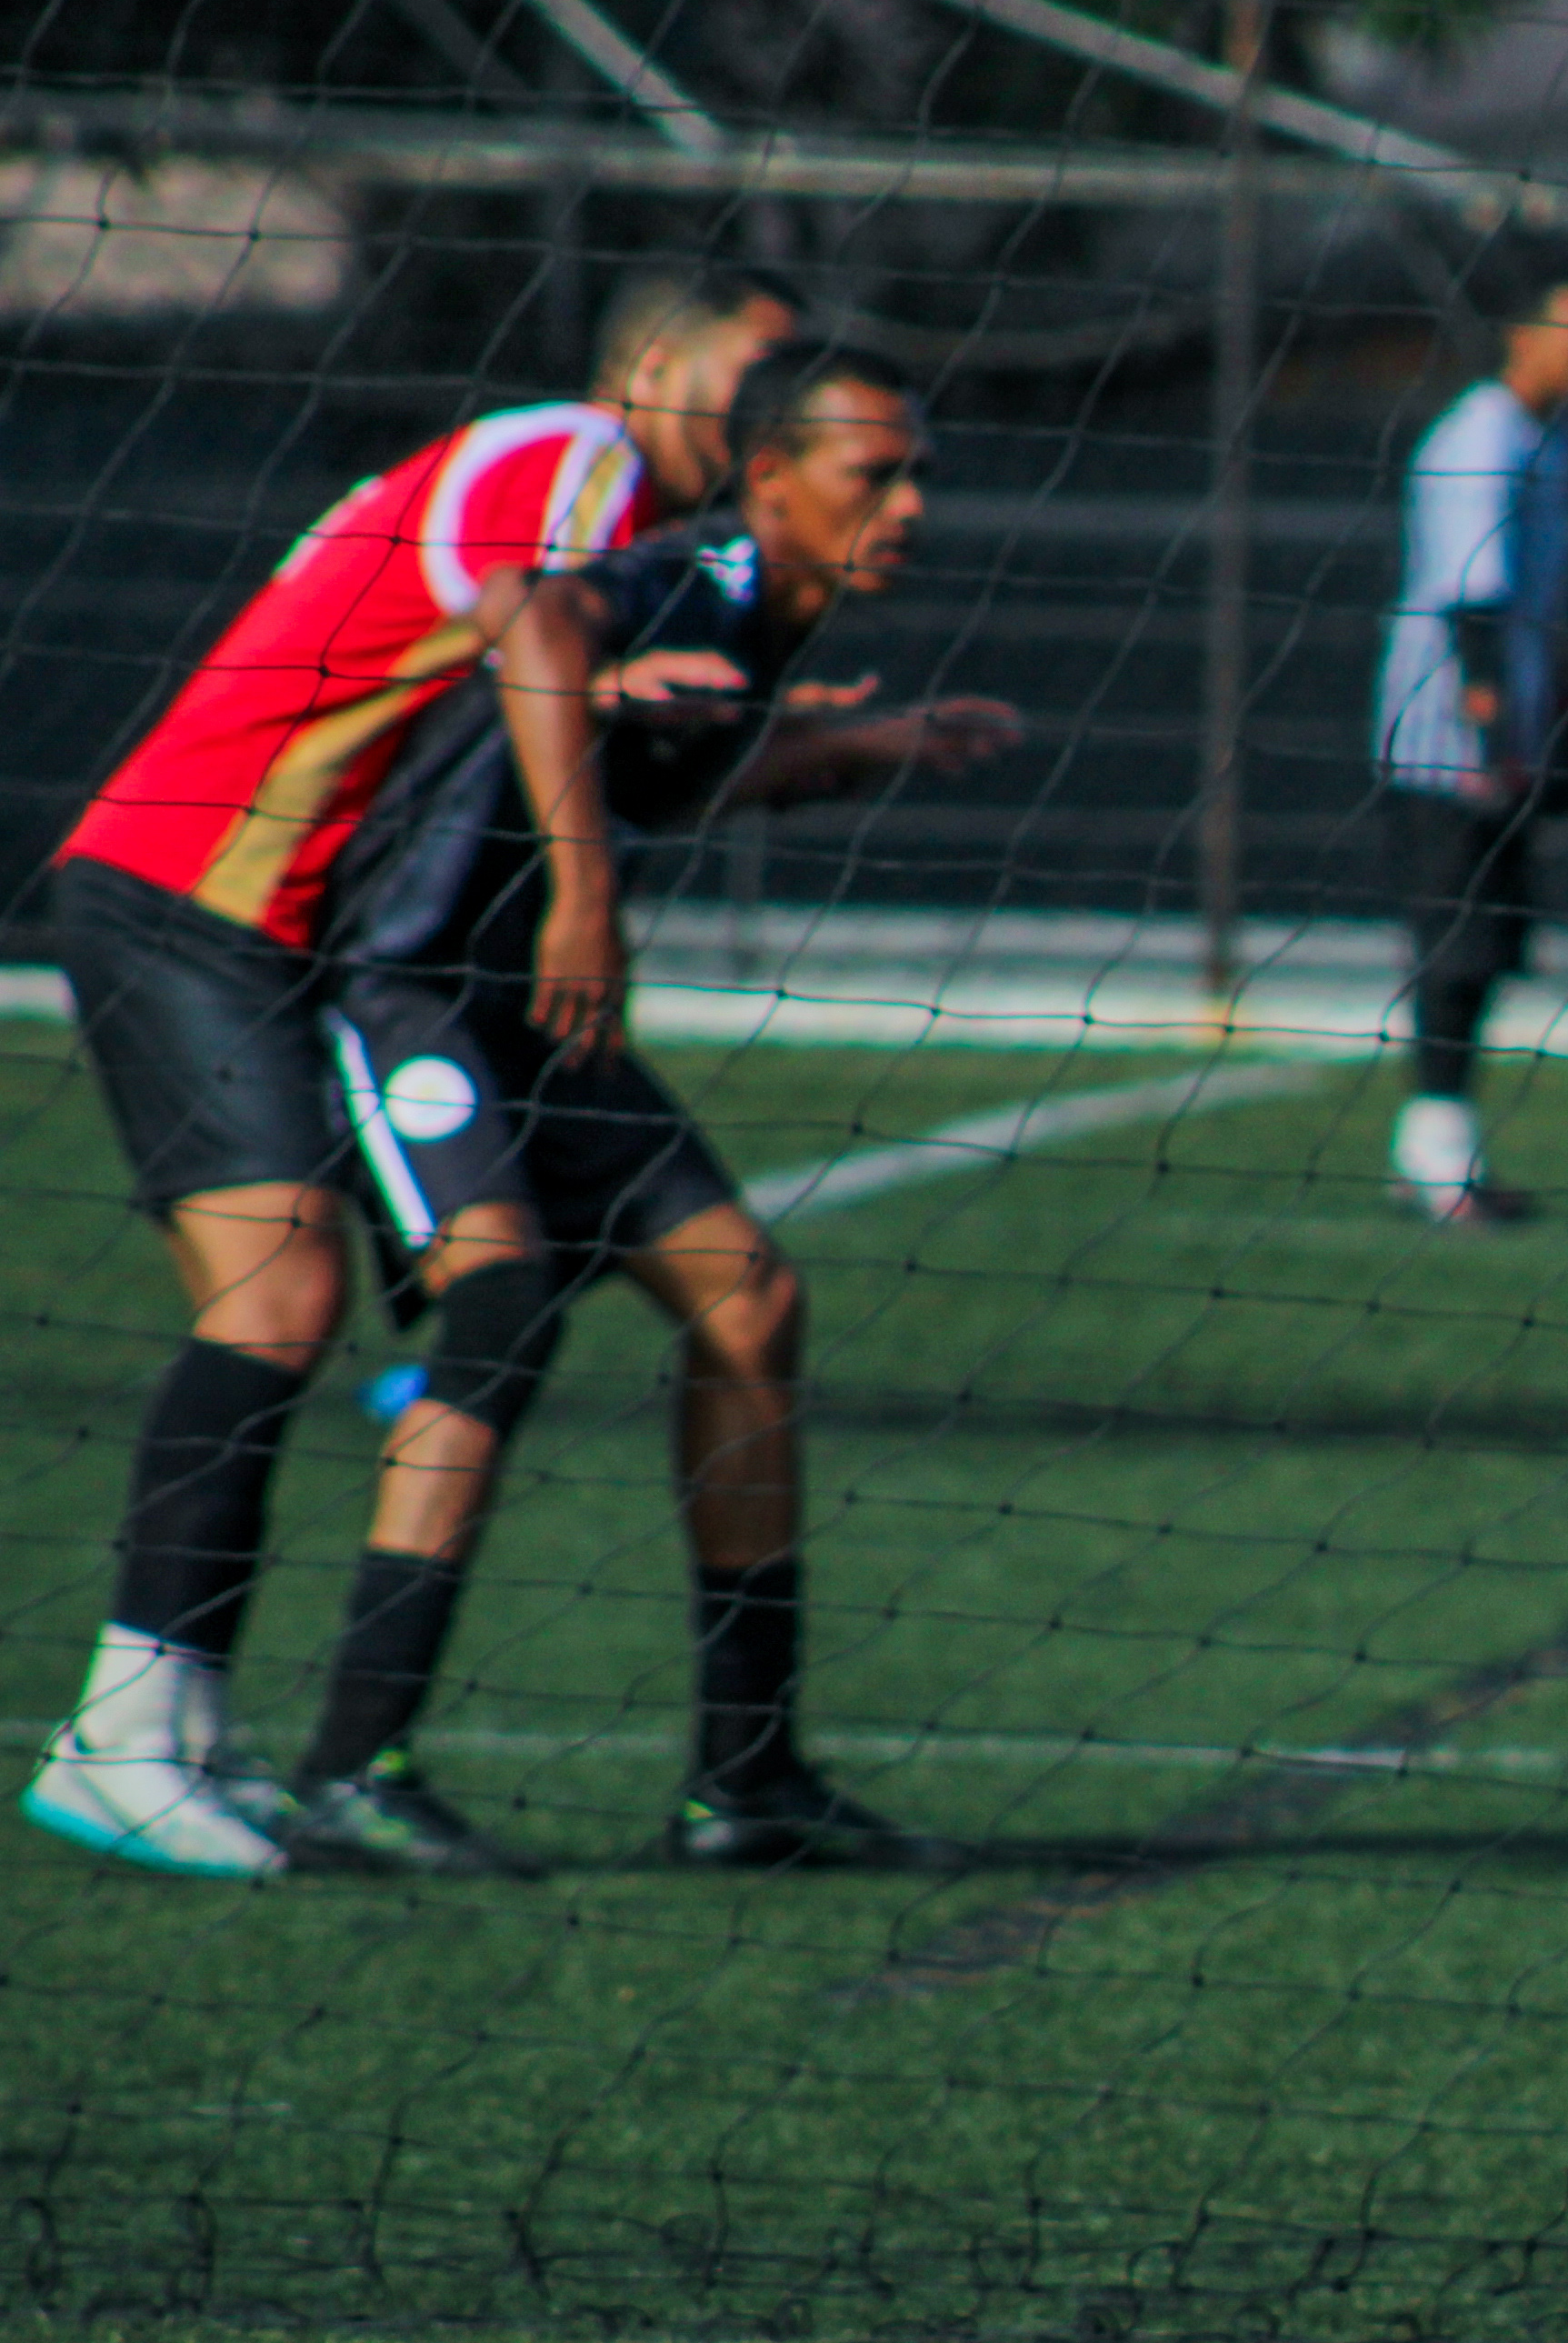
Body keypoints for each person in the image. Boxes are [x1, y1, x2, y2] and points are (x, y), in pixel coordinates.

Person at [24, 265, 797, 1877]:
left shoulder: (626, 524)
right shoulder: (581, 457)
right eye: (754, 376)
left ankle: (182, 1733)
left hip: (259, 922)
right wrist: (587, 892)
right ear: (658, 365)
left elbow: (521, 661)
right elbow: (527, 622)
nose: (765, 417)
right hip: (193, 890)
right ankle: (122, 1737)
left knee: (286, 1308)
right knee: (281, 1298)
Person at [275, 342, 1022, 1877]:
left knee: (753, 1306)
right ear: (768, 478)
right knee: (504, 1302)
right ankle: (354, 1761)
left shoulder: (767, 619)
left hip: (534, 1023)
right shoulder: (690, 575)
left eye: (918, 472)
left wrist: (842, 754)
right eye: (873, 473)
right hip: (411, 988)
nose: (910, 503)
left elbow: (647, 762)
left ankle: (747, 1781)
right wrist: (586, 899)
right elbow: (539, 622)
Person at [1375, 275, 1568, 1227]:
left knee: (1494, 938)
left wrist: (1558, 702)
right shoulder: (1482, 435)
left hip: (1504, 722)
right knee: (1455, 937)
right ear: (1524, 336)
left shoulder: (1555, 436)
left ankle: (1439, 1146)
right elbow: (1469, 591)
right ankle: (1436, 1157)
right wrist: (1492, 733)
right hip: (1447, 734)